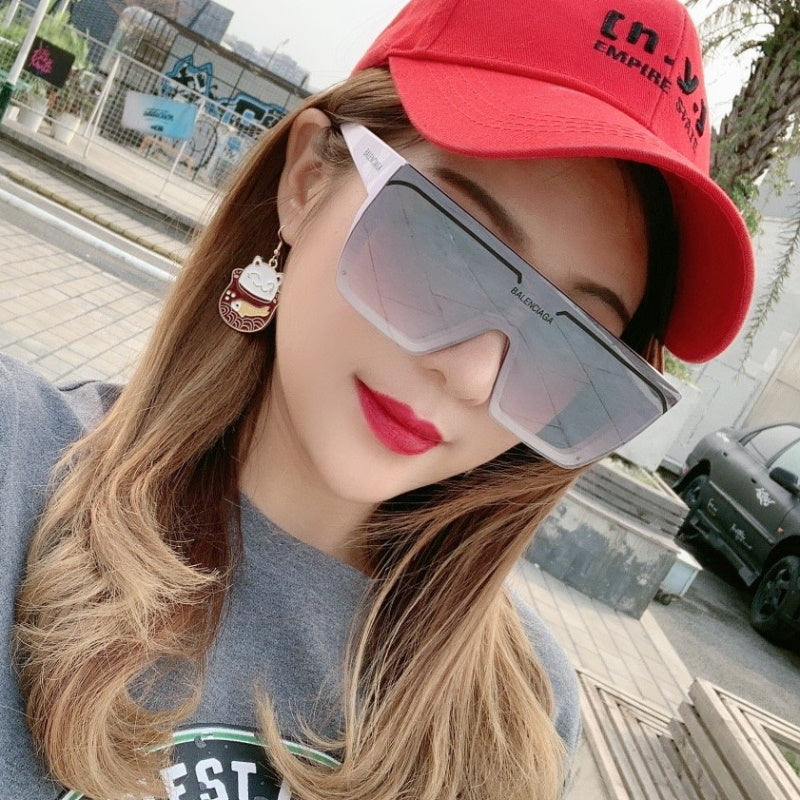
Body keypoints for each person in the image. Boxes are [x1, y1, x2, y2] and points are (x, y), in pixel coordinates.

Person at [0, 0, 754, 797]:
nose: (474, 377)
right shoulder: (21, 470)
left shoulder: (521, 722)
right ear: (308, 180)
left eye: (573, 342)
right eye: (449, 245)